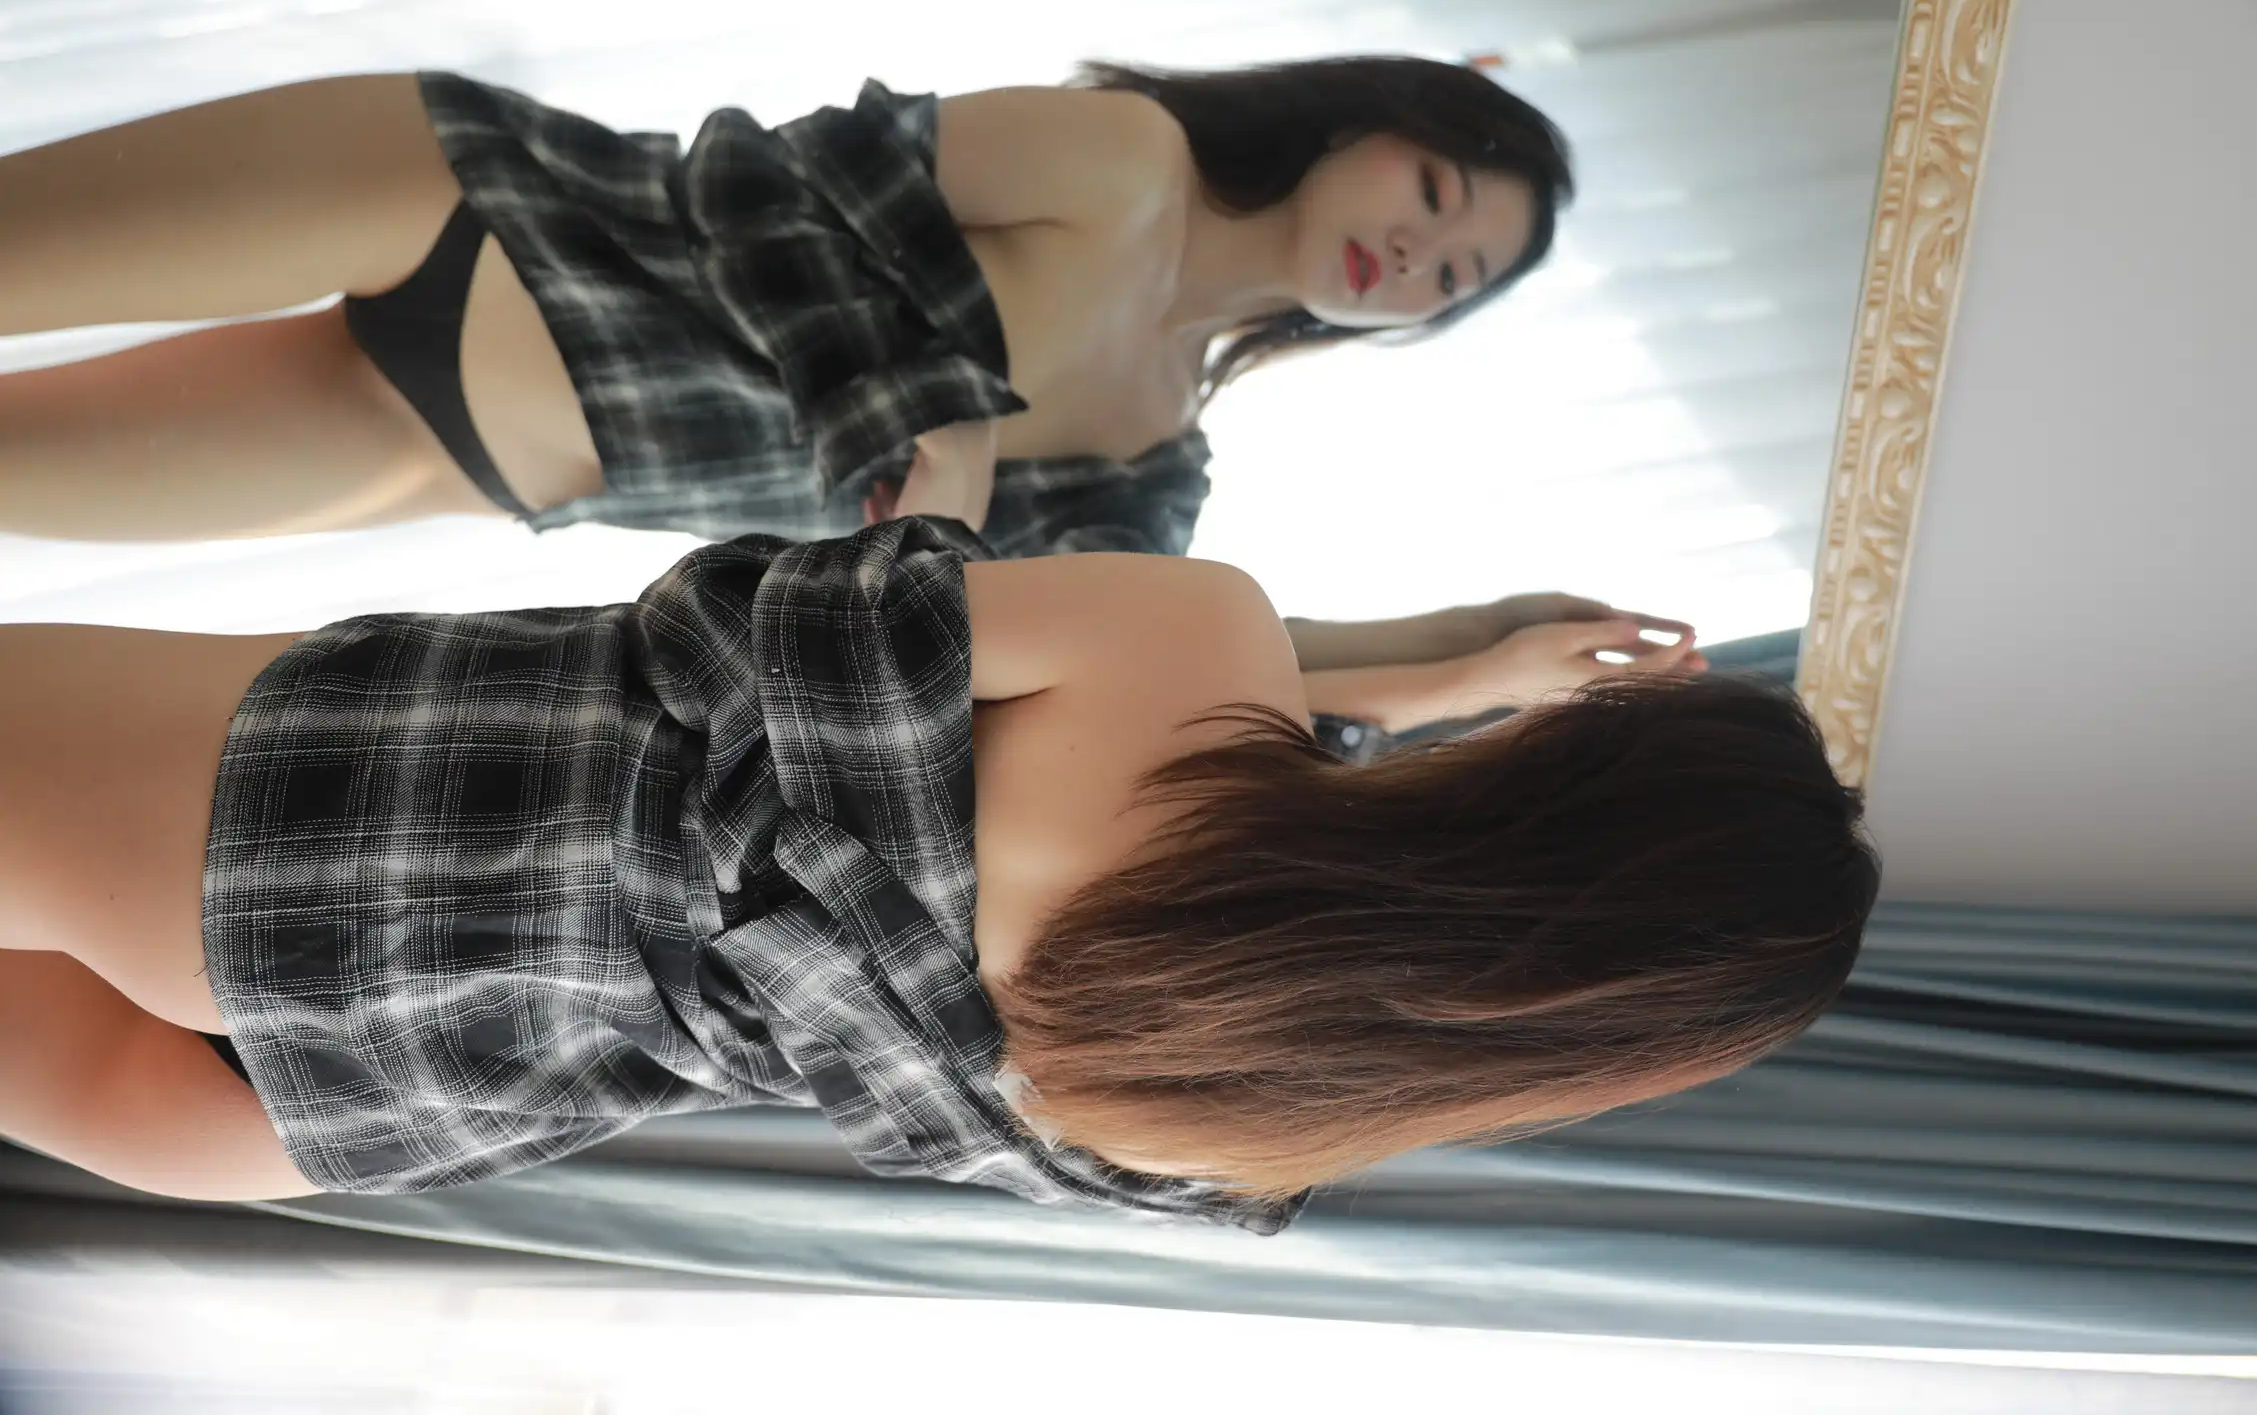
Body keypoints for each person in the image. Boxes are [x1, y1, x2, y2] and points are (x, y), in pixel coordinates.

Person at [0, 520, 1878, 1230]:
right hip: (413, 1083)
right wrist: (1431, 685)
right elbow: (1246, 813)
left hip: (381, 818)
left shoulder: (1194, 644)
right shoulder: (1228, 1128)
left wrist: (1455, 663)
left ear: (1563, 771)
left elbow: (768, 618)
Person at [0, 54, 1697, 748]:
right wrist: (930, 410)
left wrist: (1479, 654)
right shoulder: (1129, 160)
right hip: (477, 205)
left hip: (461, 450)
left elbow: (1195, 661)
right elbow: (765, 174)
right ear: (1364, 125)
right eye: (1434, 192)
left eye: (1457, 274)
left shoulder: (1154, 463)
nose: (1418, 252)